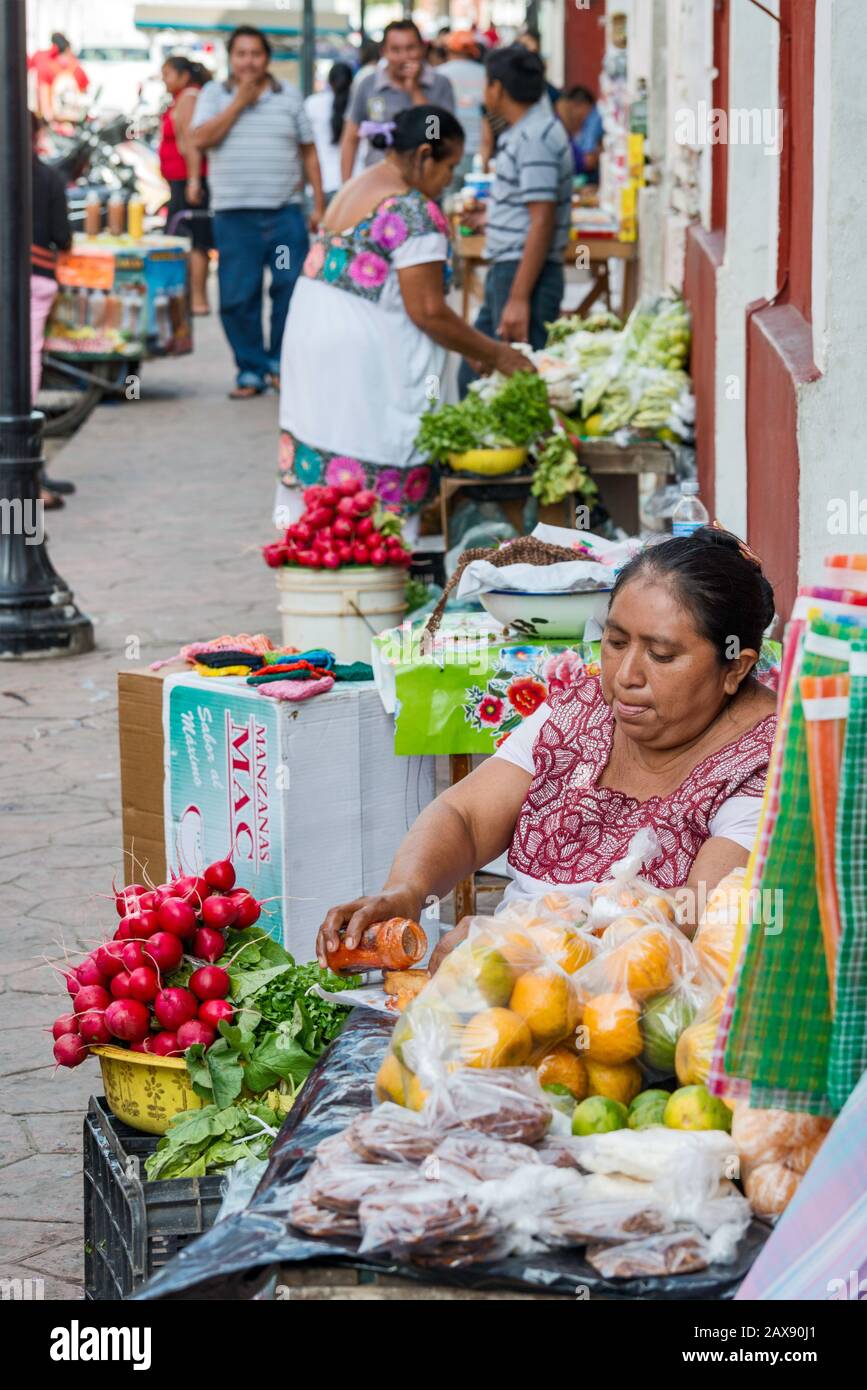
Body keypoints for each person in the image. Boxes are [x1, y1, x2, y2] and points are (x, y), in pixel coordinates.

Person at [316, 529, 778, 970]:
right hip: (510, 987)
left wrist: (522, 941)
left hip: (629, 1011)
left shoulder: (764, 764)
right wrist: (407, 890)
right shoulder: (585, 709)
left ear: (735, 668)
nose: (625, 676)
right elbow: (468, 818)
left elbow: (698, 919)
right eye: (615, 642)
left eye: (660, 656)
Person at [277, 106, 529, 537]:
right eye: (449, 165)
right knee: (371, 484)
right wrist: (496, 354)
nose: (449, 178)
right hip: (360, 361)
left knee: (327, 483)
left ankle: (325, 580)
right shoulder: (414, 211)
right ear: (425, 154)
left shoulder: (360, 183)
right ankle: (373, 583)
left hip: (313, 348)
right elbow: (429, 311)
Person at [191, 25, 325, 399]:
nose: (249, 61)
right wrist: (239, 103)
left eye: (256, 54)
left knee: (288, 289)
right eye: (241, 54)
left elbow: (309, 152)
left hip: (283, 216)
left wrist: (320, 206)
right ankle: (250, 370)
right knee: (237, 296)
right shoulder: (214, 95)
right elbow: (200, 140)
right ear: (230, 59)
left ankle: (280, 363)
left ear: (267, 58)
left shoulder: (290, 97)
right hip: (235, 218)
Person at [457, 45, 573, 394]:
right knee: (477, 373)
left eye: (486, 84)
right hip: (510, 271)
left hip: (522, 276)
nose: (484, 93)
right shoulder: (526, 132)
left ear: (498, 89)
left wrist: (519, 298)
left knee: (513, 386)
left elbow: (542, 219)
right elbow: (530, 210)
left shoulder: (535, 137)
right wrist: (490, 216)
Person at [340, 21, 455, 181]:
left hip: (424, 185)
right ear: (384, 52)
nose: (404, 57)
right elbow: (350, 138)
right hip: (378, 184)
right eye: (396, 50)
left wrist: (414, 89)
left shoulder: (440, 84)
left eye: (410, 48)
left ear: (422, 48)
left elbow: (436, 135)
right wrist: (346, 187)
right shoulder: (368, 84)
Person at [30, 112, 72, 508]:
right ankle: (27, 480)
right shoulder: (47, 178)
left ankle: (30, 475)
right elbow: (63, 236)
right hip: (34, 280)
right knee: (26, 373)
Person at [160, 56, 213, 315]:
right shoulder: (183, 97)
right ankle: (190, 298)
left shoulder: (190, 97)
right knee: (185, 238)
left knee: (195, 240)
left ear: (183, 75)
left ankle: (198, 300)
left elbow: (192, 142)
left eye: (168, 74)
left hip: (190, 180)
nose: (164, 80)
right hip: (182, 180)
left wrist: (193, 180)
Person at [304, 62, 353, 202]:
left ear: (329, 81)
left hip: (320, 185)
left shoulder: (312, 104)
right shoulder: (357, 105)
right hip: (353, 184)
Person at [438, 31, 486, 165]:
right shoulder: (485, 73)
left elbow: (433, 116)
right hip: (481, 150)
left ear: (448, 50)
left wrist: (433, 145)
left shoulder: (438, 74)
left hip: (447, 151)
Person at [29, 32, 88, 123]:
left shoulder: (46, 66)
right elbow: (84, 91)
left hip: (53, 120)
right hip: (74, 119)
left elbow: (42, 94)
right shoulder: (76, 68)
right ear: (68, 49)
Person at [556, 84, 603, 181]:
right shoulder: (584, 122)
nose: (571, 115)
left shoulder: (594, 118)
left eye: (570, 110)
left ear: (581, 105)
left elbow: (589, 161)